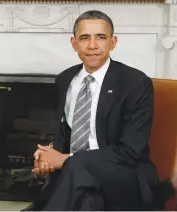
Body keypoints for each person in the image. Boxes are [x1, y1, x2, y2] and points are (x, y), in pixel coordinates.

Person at [23, 10, 160, 211]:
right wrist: (48, 154)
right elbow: (65, 135)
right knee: (88, 203)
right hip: (79, 179)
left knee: (77, 167)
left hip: (126, 176)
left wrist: (67, 160)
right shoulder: (65, 80)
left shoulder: (135, 83)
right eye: (85, 38)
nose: (92, 45)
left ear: (113, 42)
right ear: (74, 43)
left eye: (101, 38)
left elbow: (130, 152)